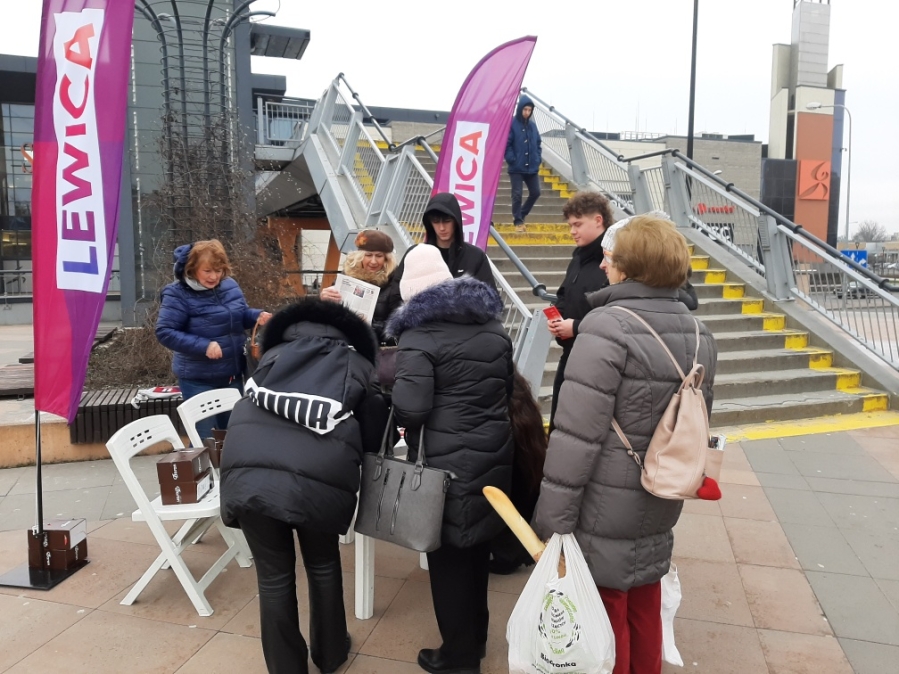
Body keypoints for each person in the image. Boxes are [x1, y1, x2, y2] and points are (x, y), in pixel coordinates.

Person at [532, 214, 717, 674]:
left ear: (631, 266)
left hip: (603, 497)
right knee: (645, 594)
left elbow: (576, 435)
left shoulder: (606, 326)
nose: (603, 264)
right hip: (662, 486)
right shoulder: (701, 333)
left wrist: (552, 520)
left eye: (610, 257)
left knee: (603, 606)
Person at [220, 299, 388, 674]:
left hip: (247, 474)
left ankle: (286, 668)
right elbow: (374, 436)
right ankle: (331, 654)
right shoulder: (357, 363)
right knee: (323, 564)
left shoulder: (271, 357)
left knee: (273, 577)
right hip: (319, 478)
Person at [386, 244, 513, 674]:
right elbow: (507, 390)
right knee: (477, 550)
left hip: (445, 465)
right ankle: (476, 641)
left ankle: (458, 657)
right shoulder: (493, 326)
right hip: (494, 453)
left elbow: (411, 409)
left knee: (449, 561)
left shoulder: (418, 337)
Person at [155, 239, 271, 440]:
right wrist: (204, 346)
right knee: (205, 440)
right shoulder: (177, 293)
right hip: (198, 380)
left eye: (218, 270)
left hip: (231, 376)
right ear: (192, 269)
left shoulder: (229, 285)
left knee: (233, 436)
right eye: (207, 271)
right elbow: (165, 332)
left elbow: (239, 315)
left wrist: (256, 316)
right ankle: (202, 463)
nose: (214, 276)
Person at [546, 191, 614, 428]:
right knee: (558, 422)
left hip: (598, 361)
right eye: (570, 225)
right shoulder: (578, 257)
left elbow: (614, 315)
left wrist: (575, 327)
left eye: (578, 224)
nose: (572, 231)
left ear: (598, 220)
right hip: (570, 354)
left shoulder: (614, 260)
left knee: (581, 425)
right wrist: (556, 316)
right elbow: (565, 293)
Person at [386, 193, 497, 318]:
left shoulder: (475, 256)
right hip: (422, 326)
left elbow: (489, 299)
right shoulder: (415, 253)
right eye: (436, 222)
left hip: (461, 327)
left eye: (447, 221)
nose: (442, 228)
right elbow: (396, 296)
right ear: (429, 223)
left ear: (456, 221)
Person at [488, 368, 547, 575]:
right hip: (529, 477)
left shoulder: (495, 411)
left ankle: (507, 554)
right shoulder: (524, 406)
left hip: (509, 486)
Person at [319, 229, 400, 343]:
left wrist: (369, 325)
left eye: (379, 256)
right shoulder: (346, 276)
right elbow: (330, 317)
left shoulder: (395, 281)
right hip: (346, 343)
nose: (373, 261)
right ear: (359, 256)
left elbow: (398, 326)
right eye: (368, 255)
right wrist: (325, 301)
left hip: (379, 346)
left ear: (387, 259)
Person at [505, 95, 542, 232]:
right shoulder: (512, 124)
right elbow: (507, 144)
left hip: (532, 166)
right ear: (520, 109)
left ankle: (521, 214)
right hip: (516, 167)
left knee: (536, 192)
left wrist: (537, 159)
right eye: (525, 109)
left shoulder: (532, 126)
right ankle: (518, 221)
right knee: (517, 194)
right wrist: (512, 159)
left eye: (529, 110)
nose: (527, 112)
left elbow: (538, 143)